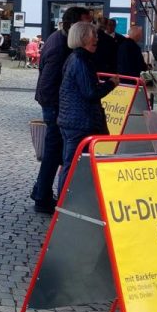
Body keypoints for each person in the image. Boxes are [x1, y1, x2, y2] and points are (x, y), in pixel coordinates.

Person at [31, 6, 92, 214]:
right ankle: (42, 198)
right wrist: (57, 110)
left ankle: (40, 192)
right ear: (74, 25)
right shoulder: (59, 47)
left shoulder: (60, 39)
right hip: (55, 108)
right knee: (53, 153)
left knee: (53, 152)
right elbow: (47, 85)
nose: (90, 28)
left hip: (56, 107)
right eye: (86, 24)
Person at [57, 22, 119, 196]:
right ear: (83, 38)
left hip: (73, 120)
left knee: (73, 163)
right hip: (78, 123)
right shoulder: (80, 60)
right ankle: (64, 204)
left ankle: (68, 201)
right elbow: (90, 92)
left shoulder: (77, 57)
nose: (97, 39)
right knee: (73, 165)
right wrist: (111, 84)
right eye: (94, 35)